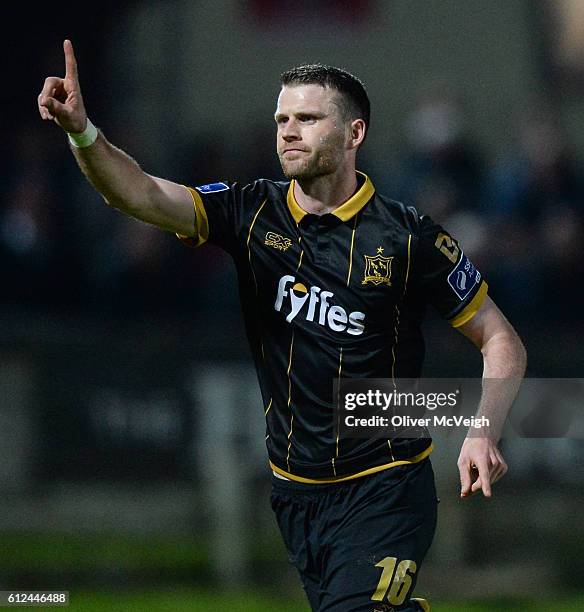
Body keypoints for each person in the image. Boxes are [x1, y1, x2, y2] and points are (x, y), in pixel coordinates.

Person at [38, 40, 526, 612]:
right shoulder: (252, 211)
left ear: (354, 135)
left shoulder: (407, 238)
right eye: (282, 119)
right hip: (295, 492)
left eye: (308, 118)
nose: (288, 132)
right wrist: (82, 134)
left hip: (385, 486)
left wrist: (482, 430)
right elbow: (140, 193)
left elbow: (501, 340)